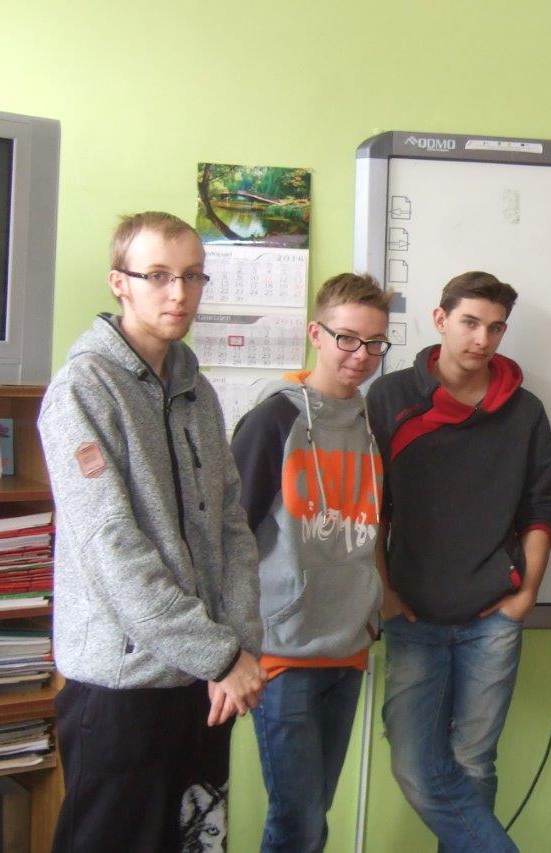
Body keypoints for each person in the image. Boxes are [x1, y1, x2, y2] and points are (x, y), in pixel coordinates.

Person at [38, 211, 265, 851]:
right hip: (124, 688)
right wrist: (223, 656)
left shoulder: (198, 391)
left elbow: (232, 525)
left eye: (193, 276)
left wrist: (237, 648)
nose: (179, 293)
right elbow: (112, 547)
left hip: (207, 685)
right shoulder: (83, 390)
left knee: (196, 842)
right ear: (120, 282)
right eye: (158, 275)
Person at [366, 270, 551, 852]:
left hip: (492, 618)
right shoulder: (391, 397)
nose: (482, 339)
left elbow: (540, 507)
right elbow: (372, 506)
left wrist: (526, 594)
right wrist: (384, 591)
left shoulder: (525, 411)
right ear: (440, 319)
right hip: (413, 614)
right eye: (470, 323)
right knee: (414, 765)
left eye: (495, 328)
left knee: (474, 763)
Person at [231, 273, 392, 852]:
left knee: (314, 812)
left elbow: (372, 527)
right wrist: (236, 645)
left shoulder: (371, 425)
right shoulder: (273, 421)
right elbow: (231, 536)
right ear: (316, 334)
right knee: (296, 819)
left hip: (347, 646)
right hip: (284, 652)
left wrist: (372, 612)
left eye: (374, 343)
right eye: (347, 338)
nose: (361, 355)